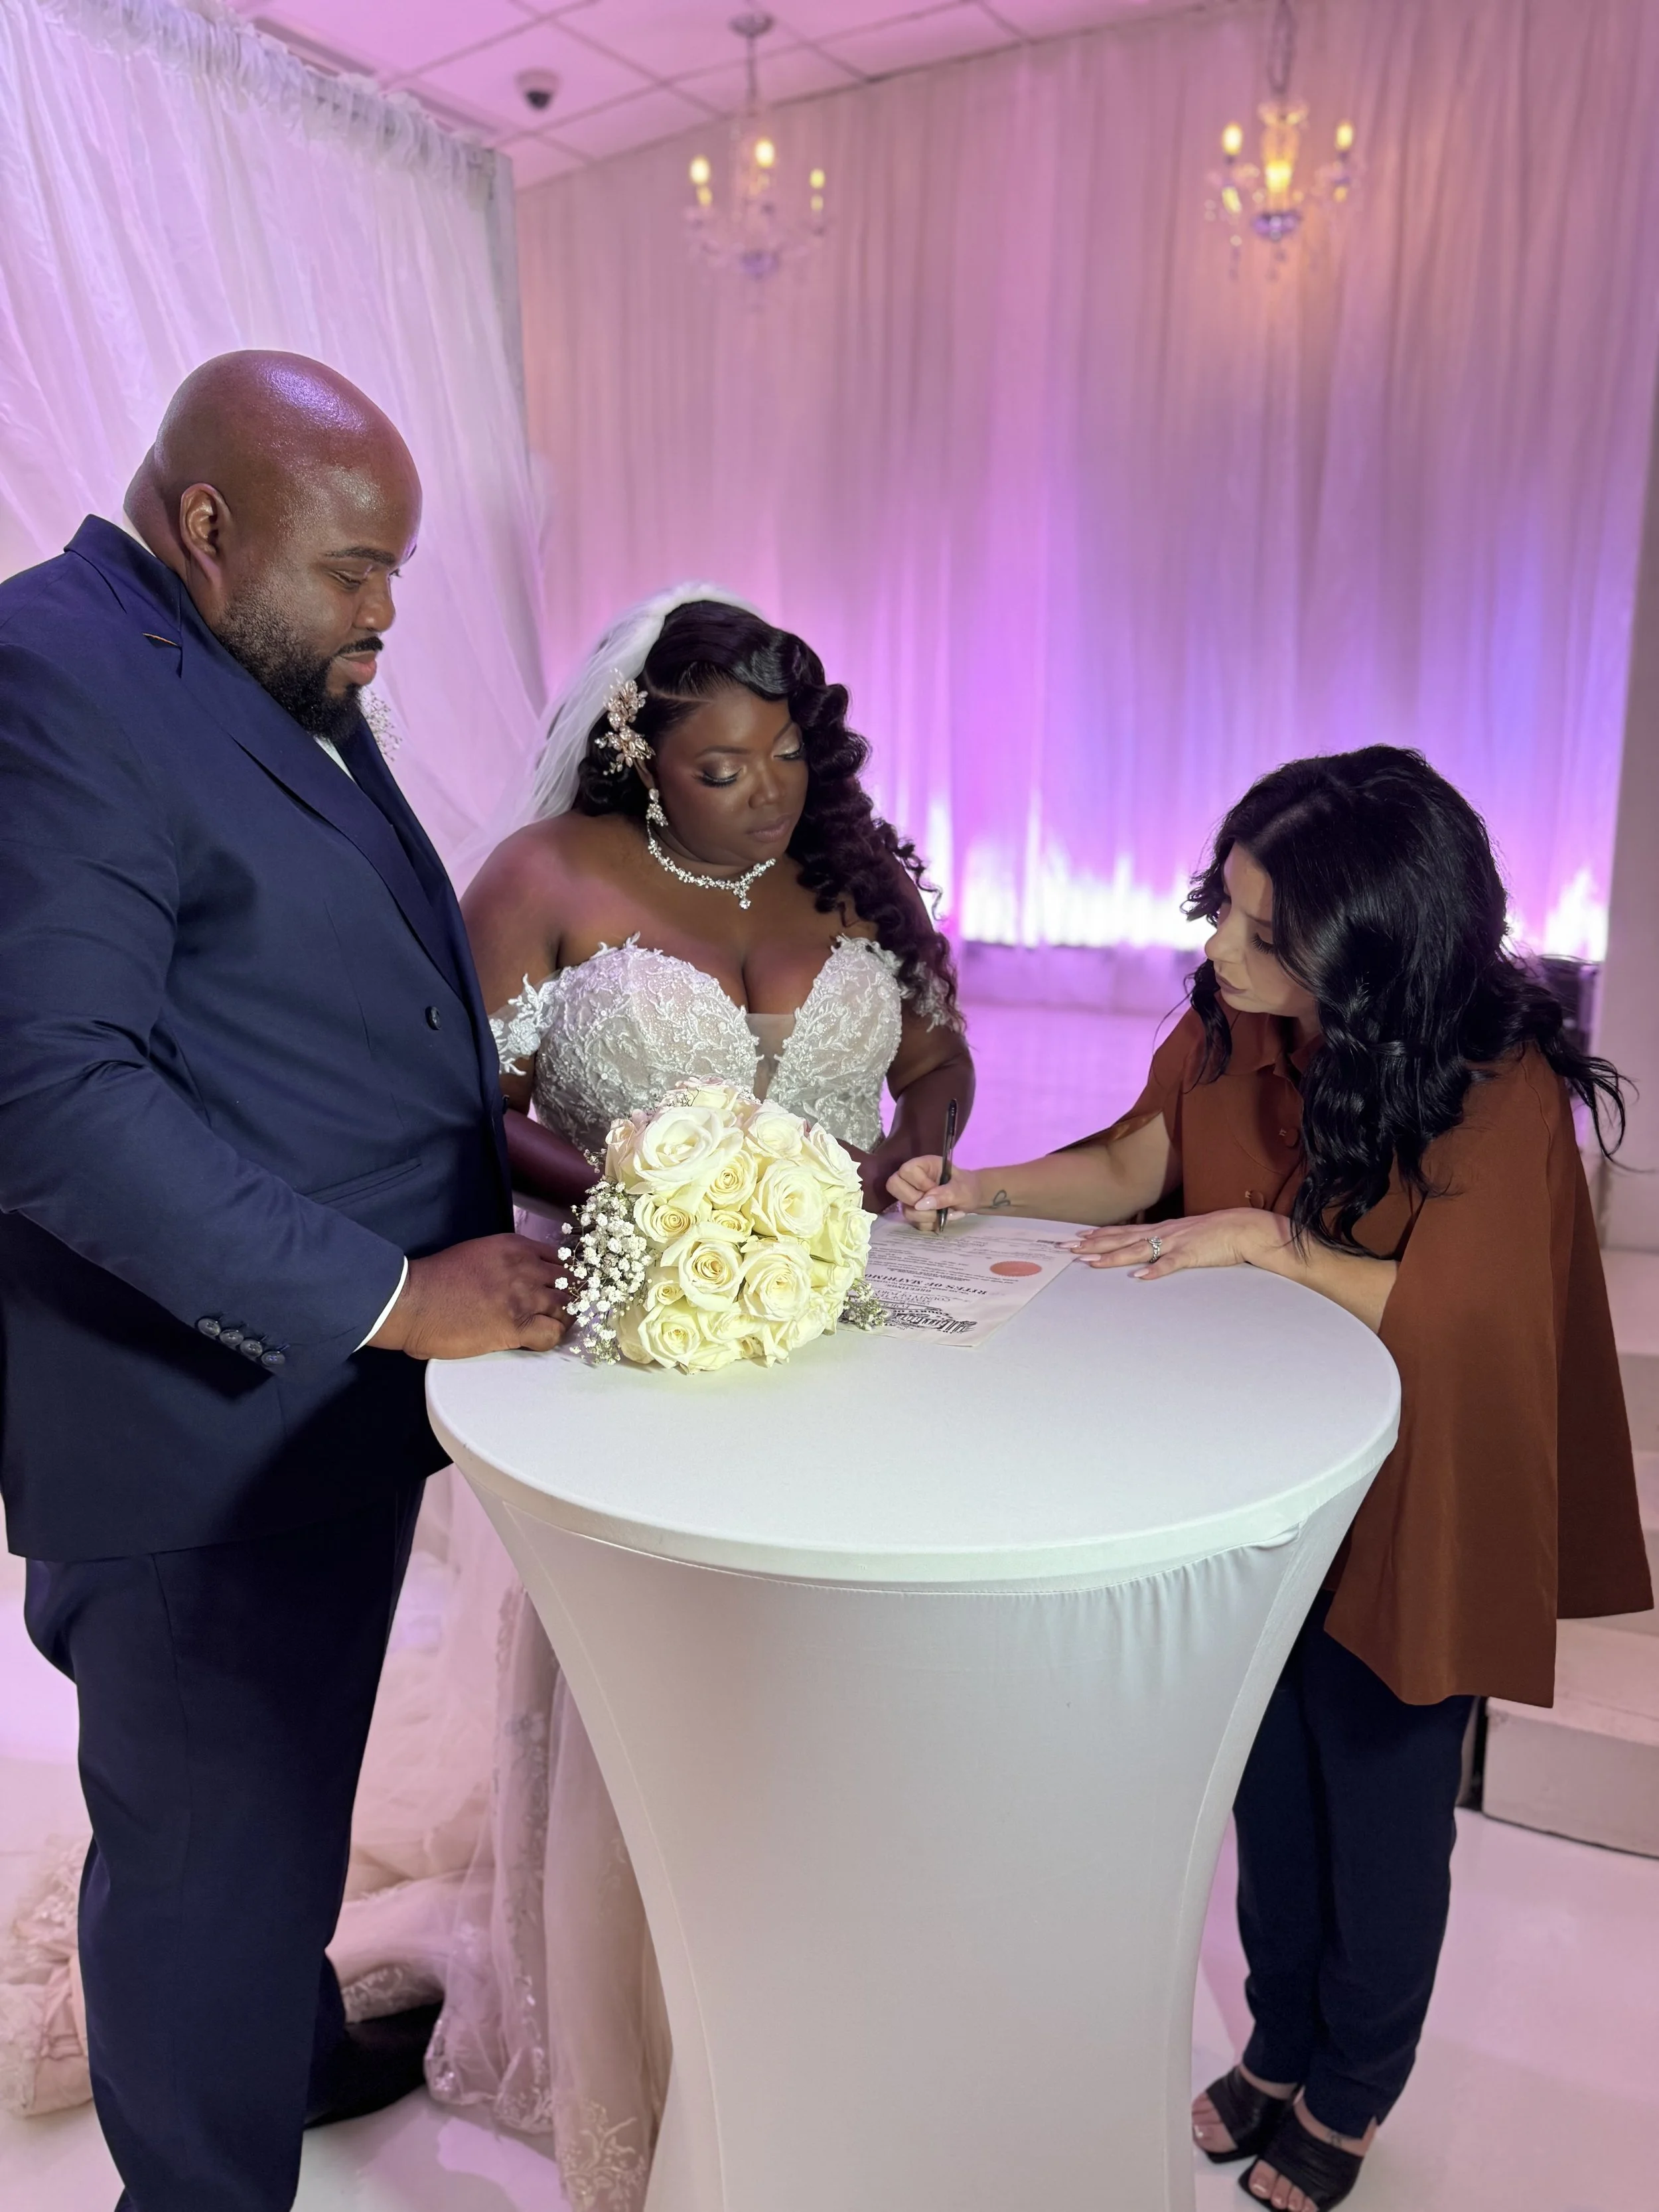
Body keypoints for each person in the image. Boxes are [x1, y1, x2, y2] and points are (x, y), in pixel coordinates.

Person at [889, 746, 1650, 2212]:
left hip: (1417, 1484)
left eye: (1259, 932)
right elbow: (1139, 1157)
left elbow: (1463, 1314)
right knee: (1259, 1776)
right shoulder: (1242, 1014)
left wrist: (1261, 1241)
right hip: (1266, 1465)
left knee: (1376, 1796)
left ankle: (1351, 2087)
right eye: (1220, 910)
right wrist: (982, 1186)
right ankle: (1284, 2032)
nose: (1218, 952)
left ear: (1365, 955)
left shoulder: (1497, 1076)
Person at [0, 352, 567, 2212]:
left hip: (300, 1407)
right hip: (192, 1429)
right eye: (355, 572)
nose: (387, 613)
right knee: (196, 1862)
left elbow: (297, 987)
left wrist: (520, 1157)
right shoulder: (51, 675)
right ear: (208, 526)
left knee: (273, 1817)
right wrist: (399, 1296)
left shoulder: (244, 642)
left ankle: (289, 2032)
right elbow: (54, 1099)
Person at [425, 586, 974, 2208]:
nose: (769, 789)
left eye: (788, 753)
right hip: (636, 1345)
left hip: (840, 1336)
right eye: (723, 763)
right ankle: (632, 2050)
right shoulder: (542, 881)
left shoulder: (853, 876)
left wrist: (910, 1147)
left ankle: (821, 2013)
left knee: (823, 1666)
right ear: (635, 754)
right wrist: (643, 1178)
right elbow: (459, 1093)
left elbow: (934, 1056)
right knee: (642, 1690)